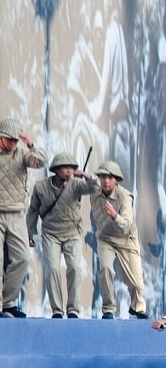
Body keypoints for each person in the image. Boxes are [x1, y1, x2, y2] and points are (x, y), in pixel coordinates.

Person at [26, 153, 99, 318]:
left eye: (72, 168)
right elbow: (33, 210)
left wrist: (85, 175)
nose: (69, 171)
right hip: (51, 233)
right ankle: (57, 310)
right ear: (56, 170)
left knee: (74, 268)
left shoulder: (76, 184)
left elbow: (95, 186)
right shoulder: (41, 187)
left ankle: (72, 309)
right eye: (65, 167)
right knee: (52, 269)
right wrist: (30, 232)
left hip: (72, 232)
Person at [0, 118, 46, 318]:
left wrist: (30, 143)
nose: (12, 143)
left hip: (17, 213)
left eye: (15, 140)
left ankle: (8, 302)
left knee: (22, 258)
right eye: (9, 139)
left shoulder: (22, 155)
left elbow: (41, 161)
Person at [90, 160, 147, 319]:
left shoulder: (125, 197)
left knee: (136, 282)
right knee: (106, 269)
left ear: (116, 180)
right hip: (106, 238)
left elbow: (127, 226)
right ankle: (108, 309)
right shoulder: (95, 193)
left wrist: (115, 215)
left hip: (126, 238)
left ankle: (137, 307)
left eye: (109, 177)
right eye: (102, 177)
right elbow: (86, 184)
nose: (106, 181)